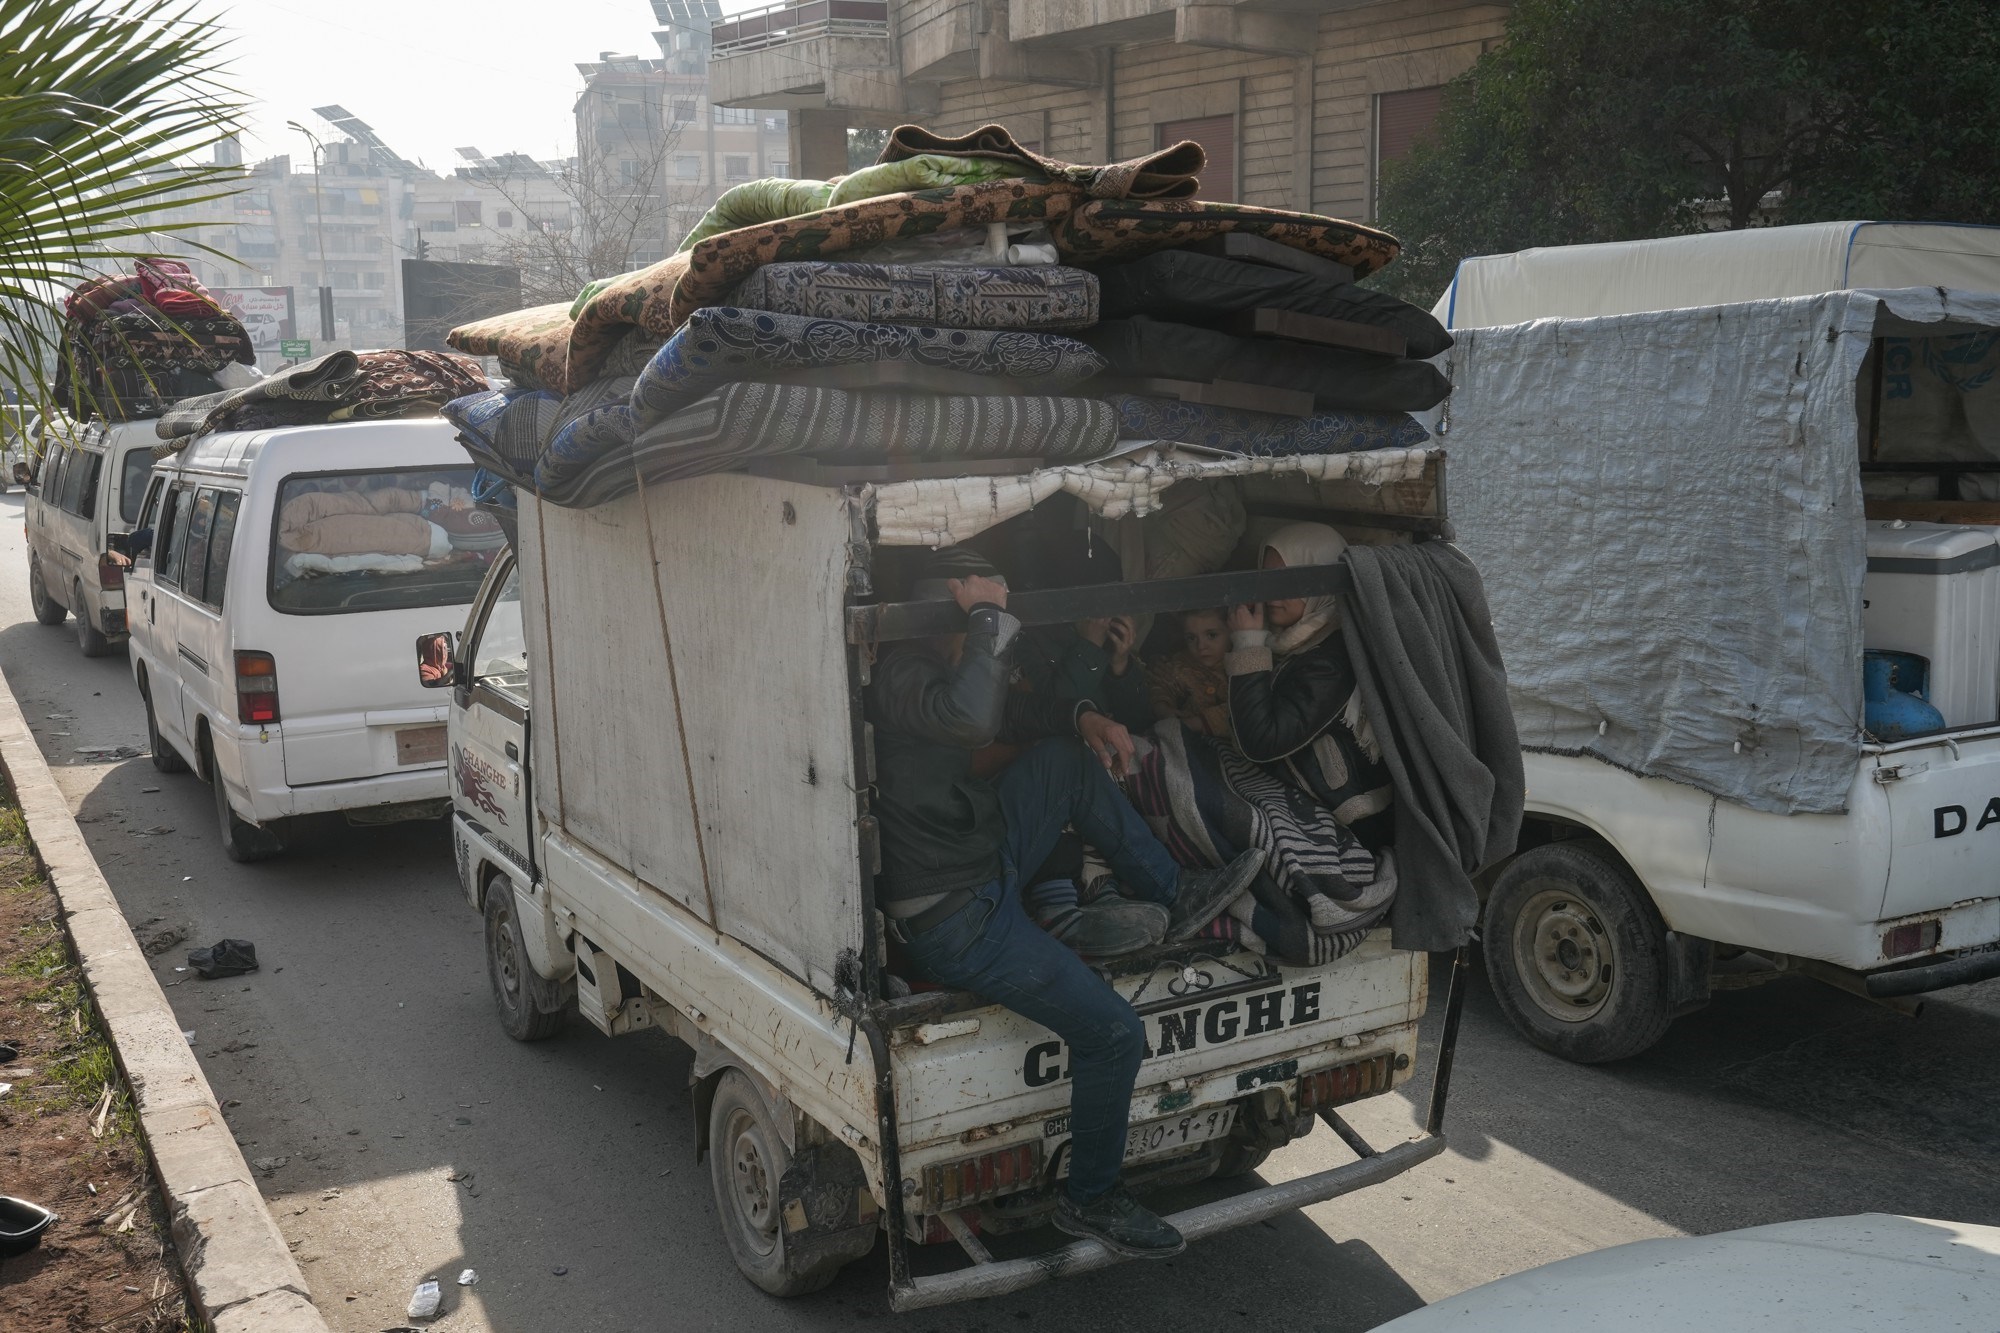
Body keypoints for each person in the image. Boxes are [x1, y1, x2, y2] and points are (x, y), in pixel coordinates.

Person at [869, 547, 1264, 1258]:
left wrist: (1085, 716)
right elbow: (970, 715)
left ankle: (1176, 894)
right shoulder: (901, 673)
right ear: (944, 621)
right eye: (967, 624)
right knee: (1114, 1032)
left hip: (981, 858)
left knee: (1061, 756)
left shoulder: (939, 665)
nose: (977, 638)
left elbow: (1013, 708)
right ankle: (1090, 1198)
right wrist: (990, 617)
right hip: (956, 918)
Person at [1225, 523, 1393, 850]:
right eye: (1267, 579)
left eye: (1288, 581)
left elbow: (1261, 742)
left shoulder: (1332, 657)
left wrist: (1247, 643)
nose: (1272, 593)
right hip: (1301, 796)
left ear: (1320, 583)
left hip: (1350, 825)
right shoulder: (1293, 640)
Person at [1016, 614, 1152, 733]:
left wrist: (1121, 665)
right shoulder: (1028, 635)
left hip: (1113, 749)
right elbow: (1050, 712)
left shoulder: (1110, 637)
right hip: (1066, 747)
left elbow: (1138, 724)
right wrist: (1090, 646)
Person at [1148, 608, 1231, 737]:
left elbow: (1245, 709)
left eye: (1212, 635)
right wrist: (1163, 708)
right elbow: (1161, 685)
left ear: (1231, 631)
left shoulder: (1242, 664)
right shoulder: (1183, 664)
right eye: (1191, 638)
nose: (1201, 646)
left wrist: (1196, 723)